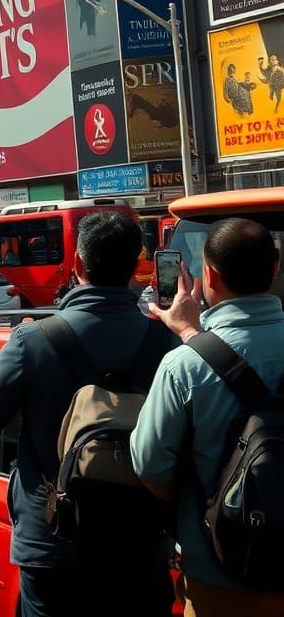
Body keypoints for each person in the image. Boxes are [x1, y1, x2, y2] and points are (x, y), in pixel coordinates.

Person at [0, 211, 178, 617]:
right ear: (136, 266)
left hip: (54, 546)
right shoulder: (167, 343)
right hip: (143, 543)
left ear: (77, 265)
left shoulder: (33, 342)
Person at [131, 218, 284, 616]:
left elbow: (149, 465)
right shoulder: (188, 360)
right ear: (276, 268)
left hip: (218, 572)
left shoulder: (183, 367)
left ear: (209, 275)